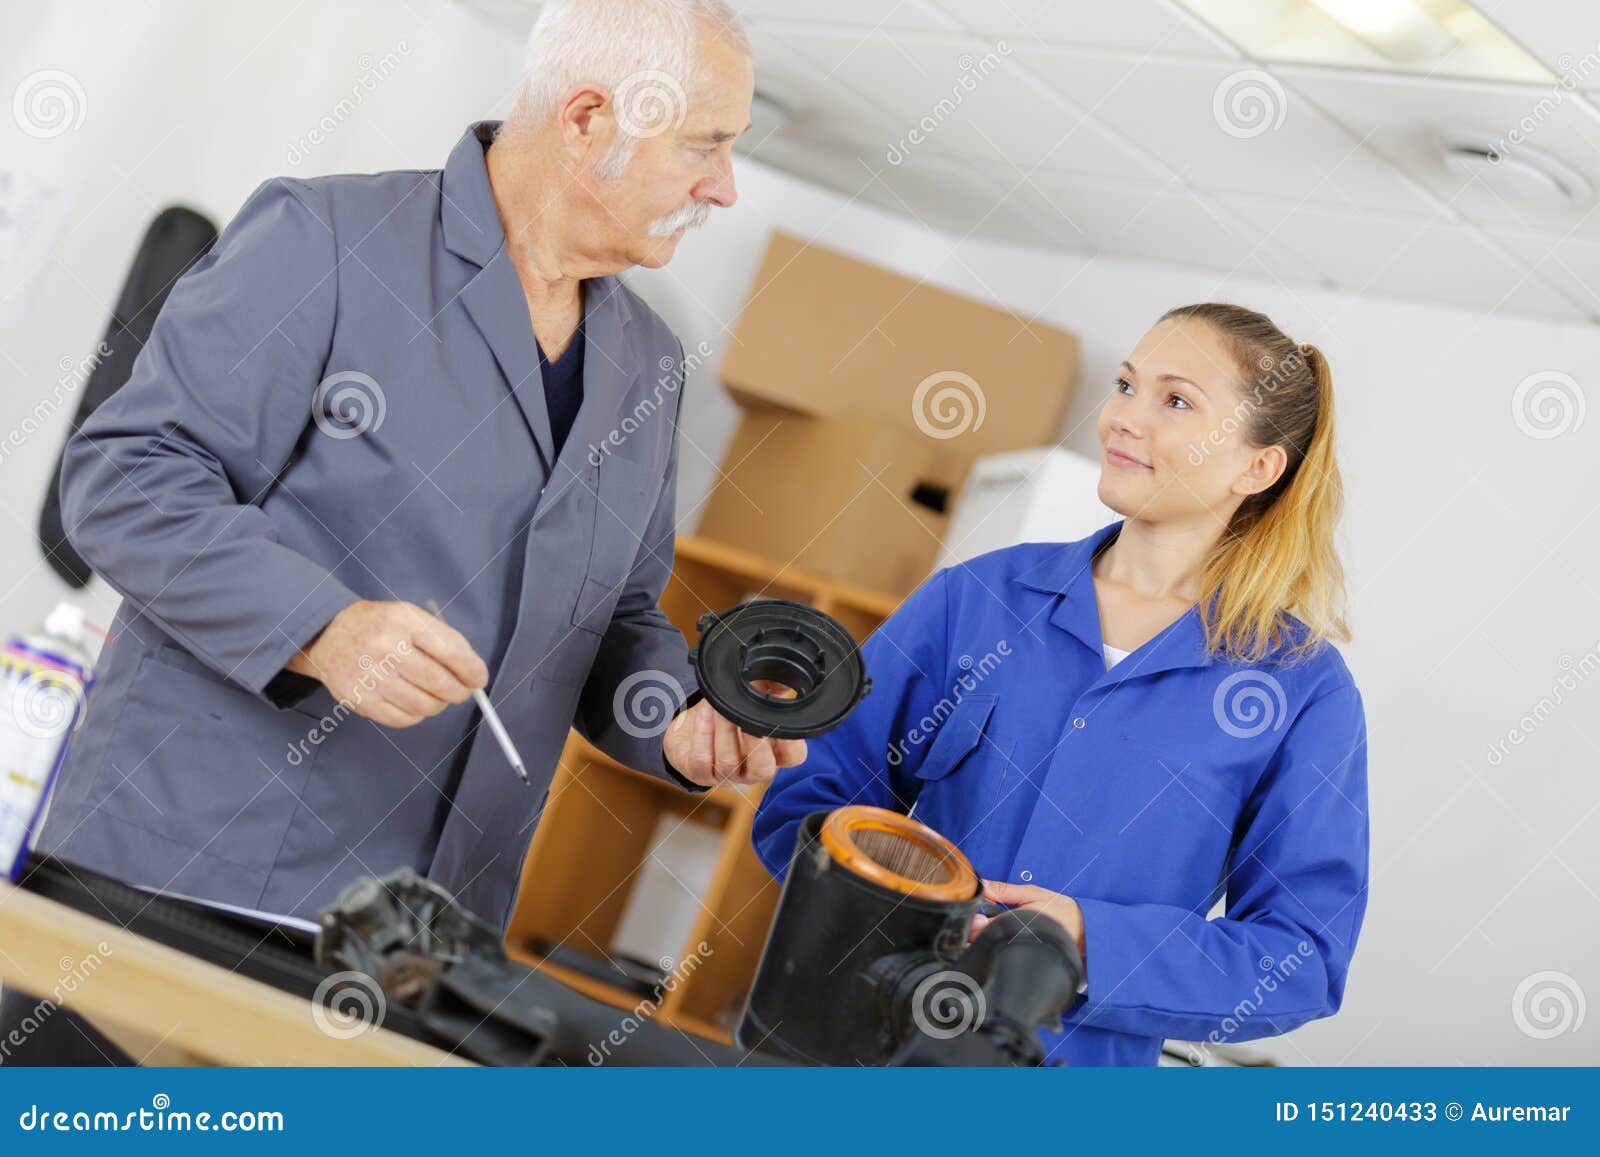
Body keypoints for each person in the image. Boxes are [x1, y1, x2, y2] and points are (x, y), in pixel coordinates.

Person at [7, 0, 798, 1065]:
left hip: (419, 948)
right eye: (706, 144)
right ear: (586, 118)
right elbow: (123, 478)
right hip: (186, 879)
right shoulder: (327, 238)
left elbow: (609, 616)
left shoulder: (643, 361)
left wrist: (677, 720)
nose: (723, 186)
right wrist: (322, 626)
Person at [752, 303, 1371, 1067]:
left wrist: (1091, 939)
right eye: (1125, 385)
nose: (1121, 418)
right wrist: (903, 909)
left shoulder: (1302, 690)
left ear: (1258, 465)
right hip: (874, 1054)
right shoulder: (976, 599)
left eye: (1175, 401)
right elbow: (811, 800)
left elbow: (1300, 959)